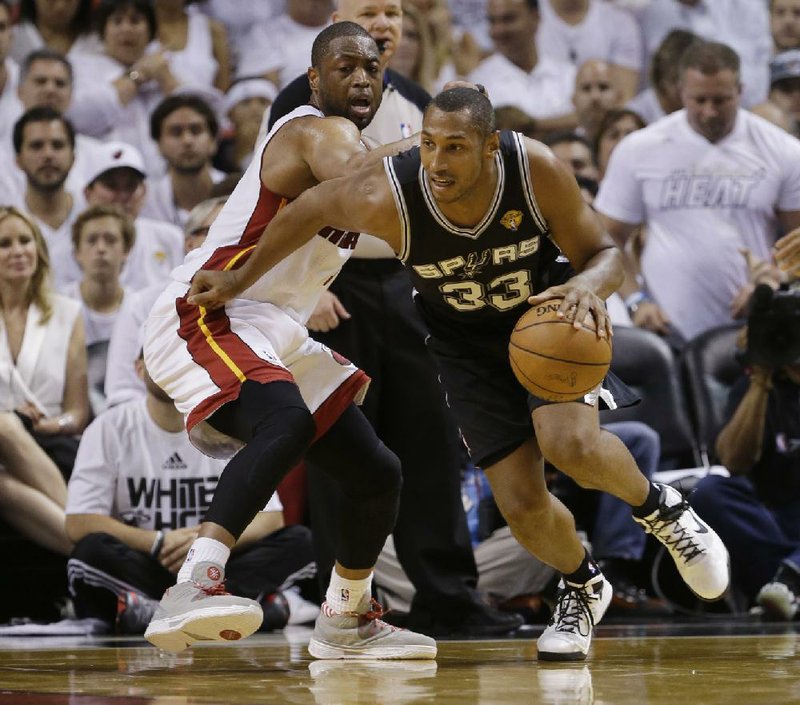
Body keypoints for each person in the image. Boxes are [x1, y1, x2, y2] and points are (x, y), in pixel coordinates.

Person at [187, 86, 732, 661]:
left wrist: (585, 285)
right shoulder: (391, 193)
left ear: (490, 147)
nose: (438, 163)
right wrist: (237, 279)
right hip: (461, 347)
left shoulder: (534, 168)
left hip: (545, 318)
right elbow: (309, 210)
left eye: (455, 147)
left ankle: (664, 511)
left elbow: (606, 254)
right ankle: (583, 585)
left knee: (569, 443)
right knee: (522, 507)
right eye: (428, 145)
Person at [141, 22, 436, 659]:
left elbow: (393, 213)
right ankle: (195, 583)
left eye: (373, 67)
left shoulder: (361, 146)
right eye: (345, 66)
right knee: (286, 419)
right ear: (314, 79)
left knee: (376, 473)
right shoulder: (313, 130)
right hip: (209, 305)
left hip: (271, 327)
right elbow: (362, 179)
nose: (363, 77)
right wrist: (445, 148)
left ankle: (346, 619)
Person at [267, 0, 522, 638]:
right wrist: (306, 284)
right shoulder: (304, 97)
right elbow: (280, 197)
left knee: (431, 445)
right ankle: (344, 606)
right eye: (368, 9)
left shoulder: (416, 98)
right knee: (346, 453)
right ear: (336, 17)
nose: (384, 23)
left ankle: (449, 597)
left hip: (409, 284)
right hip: (333, 285)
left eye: (394, 12)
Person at [65, 352, 316, 634]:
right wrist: (157, 541)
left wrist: (205, 544)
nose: (168, 364)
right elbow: (79, 522)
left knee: (300, 542)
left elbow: (271, 519)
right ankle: (238, 610)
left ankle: (155, 611)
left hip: (213, 570)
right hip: (148, 563)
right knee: (90, 553)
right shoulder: (109, 427)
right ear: (139, 370)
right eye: (158, 357)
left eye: (175, 357)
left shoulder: (225, 422)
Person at [596, 40, 800, 344]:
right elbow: (605, 237)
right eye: (699, 99)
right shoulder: (640, 149)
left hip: (756, 325)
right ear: (681, 91)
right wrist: (634, 301)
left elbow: (796, 240)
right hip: (665, 329)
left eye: (721, 100)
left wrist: (769, 282)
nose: (709, 111)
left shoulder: (782, 150)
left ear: (741, 90)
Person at [690, 283, 800, 619]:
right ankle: (787, 585)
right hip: (775, 523)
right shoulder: (758, 386)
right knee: (709, 491)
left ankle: (791, 581)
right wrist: (760, 378)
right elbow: (734, 462)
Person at [0, 205, 88, 557]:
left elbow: (77, 412)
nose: (19, 250)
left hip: (49, 444)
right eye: (5, 243)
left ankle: (93, 548)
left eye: (26, 240)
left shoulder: (67, 312)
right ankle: (97, 550)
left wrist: (50, 424)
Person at [104, 196, 225, 408]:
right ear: (190, 244)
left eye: (242, 230)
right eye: (219, 229)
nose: (232, 239)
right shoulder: (143, 304)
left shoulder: (265, 299)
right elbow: (122, 392)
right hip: (160, 425)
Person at [82, 141, 185, 292]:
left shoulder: (171, 238)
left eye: (131, 186)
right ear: (88, 193)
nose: (123, 196)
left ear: (144, 191)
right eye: (112, 185)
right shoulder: (71, 245)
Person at [63, 204, 134, 415]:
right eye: (91, 240)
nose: (101, 248)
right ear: (77, 252)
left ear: (126, 250)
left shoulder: (140, 307)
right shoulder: (59, 305)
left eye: (110, 240)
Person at [141, 93, 227, 228]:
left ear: (213, 141)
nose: (187, 140)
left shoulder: (239, 192)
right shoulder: (144, 203)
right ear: (158, 145)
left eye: (196, 130)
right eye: (176, 132)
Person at [536, 0, 643, 102]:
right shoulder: (529, 15)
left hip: (602, 118)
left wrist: (536, 122)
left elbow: (622, 100)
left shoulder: (620, 22)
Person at [8, 0, 102, 64]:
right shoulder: (12, 38)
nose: (60, 7)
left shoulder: (99, 40)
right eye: (51, 0)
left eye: (68, 0)